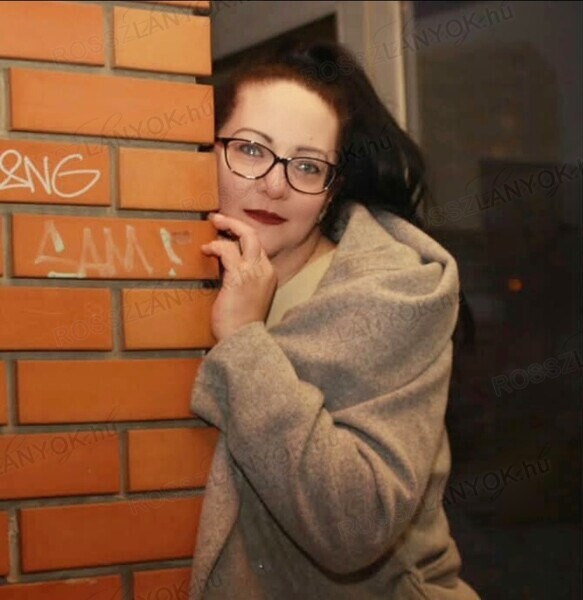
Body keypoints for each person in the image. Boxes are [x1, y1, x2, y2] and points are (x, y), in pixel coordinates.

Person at [189, 39, 480, 599]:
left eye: (306, 166)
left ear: (329, 193)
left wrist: (245, 339)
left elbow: (354, 524)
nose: (274, 185)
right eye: (250, 150)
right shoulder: (181, 277)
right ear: (207, 152)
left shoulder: (390, 297)